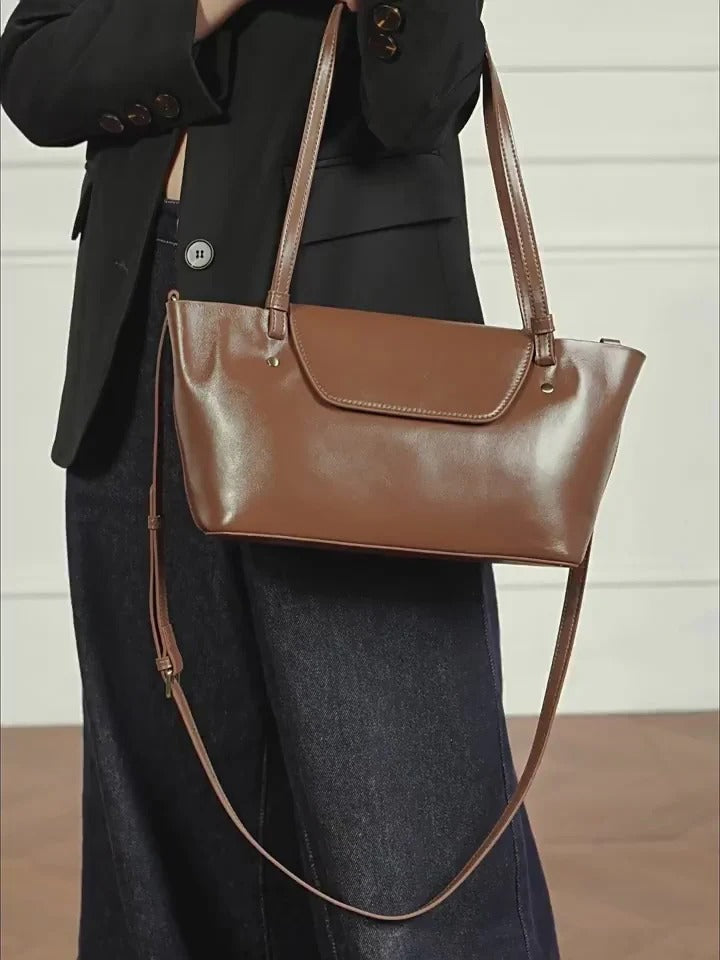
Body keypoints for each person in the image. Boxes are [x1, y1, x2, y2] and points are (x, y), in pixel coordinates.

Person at [0, 1, 561, 957]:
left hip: (359, 372)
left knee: (401, 803)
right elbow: (38, 74)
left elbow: (420, 99)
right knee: (170, 801)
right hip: (142, 343)